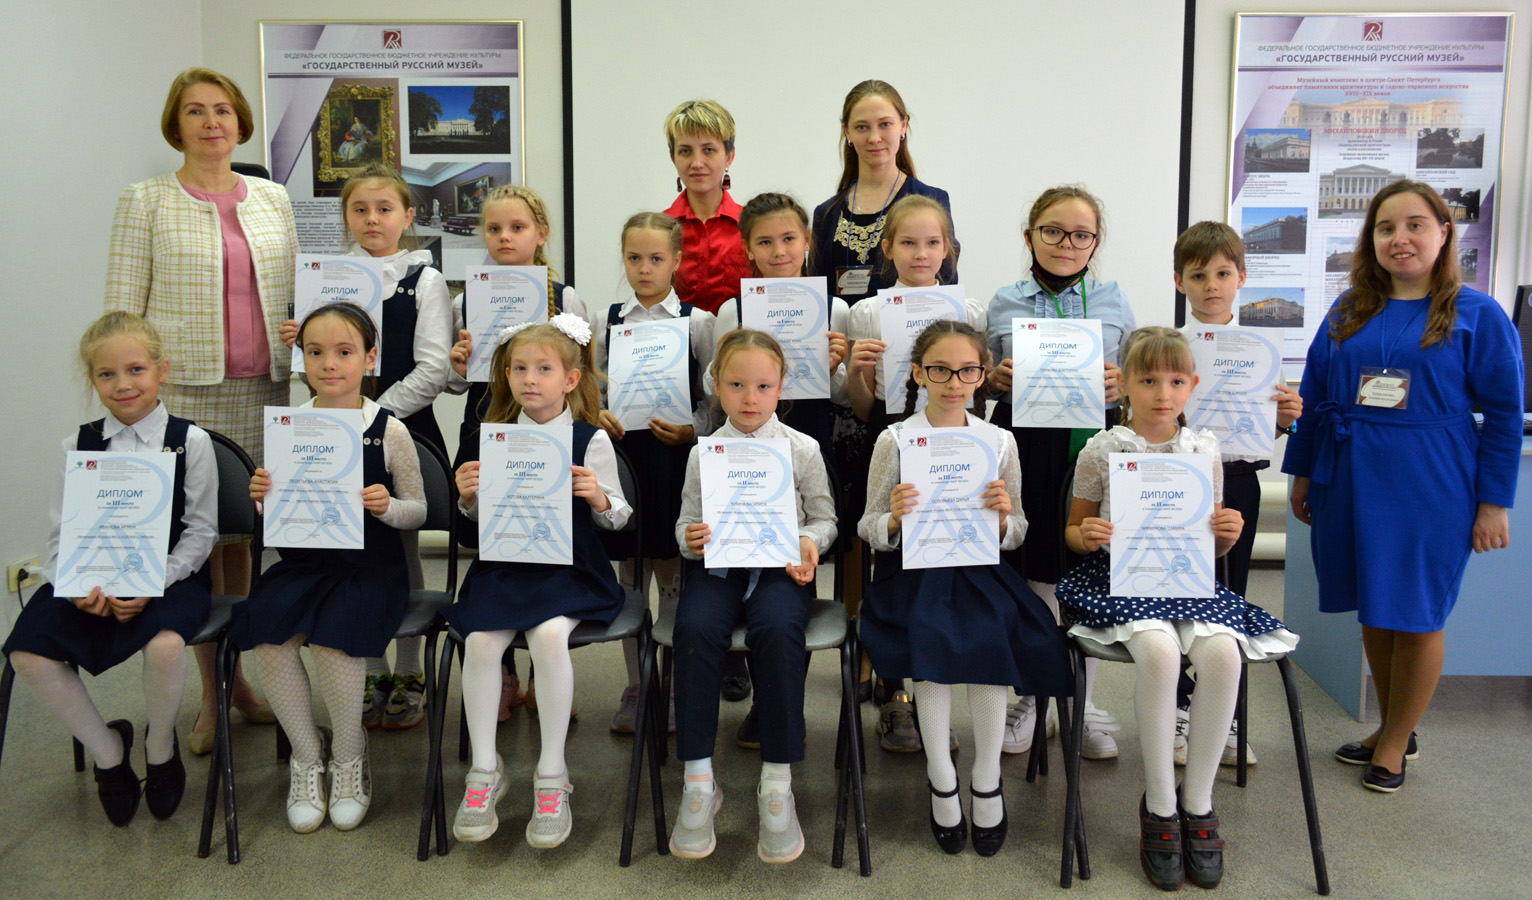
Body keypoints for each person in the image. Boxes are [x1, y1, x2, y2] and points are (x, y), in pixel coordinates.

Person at [1283, 180, 1521, 793]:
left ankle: (1394, 741)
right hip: (1349, 476)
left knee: (1415, 614)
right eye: (1386, 228)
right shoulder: (1349, 309)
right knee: (1376, 605)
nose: (1400, 238)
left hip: (1431, 484)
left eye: (1415, 225)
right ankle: (1393, 726)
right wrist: (1302, 473)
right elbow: (1314, 396)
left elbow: (1503, 415)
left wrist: (1494, 502)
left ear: (1444, 232)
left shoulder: (1478, 315)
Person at [1057, 326, 1298, 890]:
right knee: (1161, 654)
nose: (1162, 394)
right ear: (1125, 386)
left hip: (1187, 581)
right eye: (1148, 381)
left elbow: (1209, 545)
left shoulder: (1203, 450)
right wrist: (1086, 535)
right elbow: (1072, 531)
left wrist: (1226, 535)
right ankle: (1160, 804)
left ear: (1192, 385)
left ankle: (1199, 802)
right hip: (1119, 579)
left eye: (1175, 381)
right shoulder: (1103, 448)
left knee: (1224, 655)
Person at [105, 67, 290, 756]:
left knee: (241, 540)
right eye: (195, 111)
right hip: (184, 394)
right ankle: (212, 694)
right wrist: (131, 396)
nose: (212, 122)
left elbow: (294, 292)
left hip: (262, 389)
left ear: (240, 123)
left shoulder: (273, 198)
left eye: (223, 110)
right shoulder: (146, 200)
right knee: (198, 538)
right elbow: (121, 312)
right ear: (175, 125)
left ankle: (237, 679)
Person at [858, 320, 1071, 856]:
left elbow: (1018, 529)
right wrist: (893, 519)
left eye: (967, 371)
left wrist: (1002, 520)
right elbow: (867, 525)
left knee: (991, 631)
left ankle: (985, 776)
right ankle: (940, 775)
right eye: (940, 370)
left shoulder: (998, 440)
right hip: (914, 571)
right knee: (929, 635)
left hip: (978, 568)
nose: (954, 382)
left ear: (982, 374)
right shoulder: (895, 439)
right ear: (918, 373)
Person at [3, 312, 216, 826]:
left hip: (169, 576)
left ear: (162, 370)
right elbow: (60, 537)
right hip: (89, 579)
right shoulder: (76, 446)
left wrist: (152, 581)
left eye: (136, 369)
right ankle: (108, 753)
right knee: (26, 653)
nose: (123, 384)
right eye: (106, 374)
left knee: (166, 646)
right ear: (92, 380)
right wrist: (75, 586)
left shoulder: (191, 442)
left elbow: (202, 532)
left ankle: (160, 748)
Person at [230, 303, 426, 833]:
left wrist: (388, 507)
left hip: (371, 568)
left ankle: (348, 755)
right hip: (303, 567)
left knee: (334, 640)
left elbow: (419, 510)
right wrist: (262, 499)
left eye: (344, 352)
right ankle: (306, 756)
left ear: (370, 358)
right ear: (302, 359)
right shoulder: (289, 427)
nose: (329, 364)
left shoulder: (388, 430)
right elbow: (282, 513)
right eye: (315, 352)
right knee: (270, 638)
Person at [279, 163, 451, 731]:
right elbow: (313, 367)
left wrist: (373, 417)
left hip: (401, 427)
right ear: (345, 217)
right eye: (359, 209)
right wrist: (299, 344)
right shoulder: (324, 279)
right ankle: (371, 669)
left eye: (384, 208)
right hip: (332, 432)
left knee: (400, 546)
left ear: (408, 215)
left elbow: (433, 367)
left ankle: (410, 671)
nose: (372, 219)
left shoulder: (424, 279)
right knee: (351, 553)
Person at [446, 314, 627, 848]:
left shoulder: (589, 439)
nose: (529, 379)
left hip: (571, 568)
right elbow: (478, 523)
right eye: (519, 368)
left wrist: (597, 496)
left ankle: (552, 773)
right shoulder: (493, 438)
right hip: (506, 566)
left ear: (570, 379)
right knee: (480, 641)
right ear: (505, 376)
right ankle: (485, 769)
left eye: (543, 369)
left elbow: (619, 518)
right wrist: (468, 497)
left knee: (549, 637)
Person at [668, 329, 837, 864]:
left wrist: (809, 541)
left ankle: (777, 783)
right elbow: (685, 523)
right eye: (736, 385)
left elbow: (825, 518)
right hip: (718, 570)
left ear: (781, 387)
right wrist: (691, 538)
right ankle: (699, 781)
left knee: (779, 629)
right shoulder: (704, 454)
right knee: (693, 629)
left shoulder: (802, 448)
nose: (749, 398)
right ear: (716, 385)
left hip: (780, 571)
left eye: (763, 386)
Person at [986, 185, 1135, 760]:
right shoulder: (1003, 301)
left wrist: (1121, 384)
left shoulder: (1115, 299)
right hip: (1027, 445)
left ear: (1096, 242)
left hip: (1090, 449)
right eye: (1052, 231)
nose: (1066, 243)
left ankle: (1081, 699)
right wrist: (994, 380)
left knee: (1085, 569)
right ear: (1030, 236)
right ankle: (1033, 695)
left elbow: (1135, 376)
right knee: (1032, 574)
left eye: (1081, 234)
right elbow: (979, 377)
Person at [843, 194, 986, 752]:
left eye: (932, 243)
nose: (921, 253)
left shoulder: (969, 309)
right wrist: (857, 372)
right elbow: (863, 408)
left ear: (948, 249)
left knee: (946, 567)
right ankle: (896, 693)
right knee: (896, 565)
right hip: (894, 440)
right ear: (887, 248)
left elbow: (978, 391)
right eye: (908, 242)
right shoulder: (866, 312)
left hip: (955, 445)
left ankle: (938, 687)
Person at [708, 191, 851, 744]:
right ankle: (749, 680)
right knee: (745, 559)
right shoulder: (732, 310)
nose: (779, 250)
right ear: (747, 249)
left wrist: (834, 367)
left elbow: (844, 397)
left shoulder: (833, 308)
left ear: (807, 241)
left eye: (789, 238)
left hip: (806, 444)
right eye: (765, 242)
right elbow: (711, 387)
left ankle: (777, 704)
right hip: (742, 452)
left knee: (798, 568)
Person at [445, 183, 589, 720]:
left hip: (548, 431)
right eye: (494, 228)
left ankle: (542, 676)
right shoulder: (466, 297)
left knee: (544, 535)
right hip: (487, 421)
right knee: (495, 541)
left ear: (541, 233)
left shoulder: (565, 297)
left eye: (517, 227)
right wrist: (459, 366)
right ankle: (501, 675)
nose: (505, 237)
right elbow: (455, 382)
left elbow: (583, 371)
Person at [1171, 221, 1303, 767]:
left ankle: (1222, 716)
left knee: (1231, 593)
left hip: (1239, 483)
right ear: (1179, 281)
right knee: (1175, 594)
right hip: (1180, 482)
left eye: (1223, 274)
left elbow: (1257, 433)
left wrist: (1283, 420)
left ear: (1242, 277)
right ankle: (1180, 710)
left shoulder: (1260, 351)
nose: (1212, 286)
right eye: (1198, 275)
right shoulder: (1169, 347)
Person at [593, 213, 716, 734]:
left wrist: (693, 430)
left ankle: (671, 683)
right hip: (624, 461)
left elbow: (715, 400)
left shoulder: (699, 322)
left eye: (656, 258)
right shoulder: (606, 319)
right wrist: (598, 413)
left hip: (673, 460)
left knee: (672, 571)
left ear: (677, 260)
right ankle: (636, 684)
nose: (645, 269)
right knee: (631, 573)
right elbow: (591, 388)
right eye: (634, 258)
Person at [810, 80, 956, 304]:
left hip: (907, 326)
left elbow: (945, 288)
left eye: (885, 124)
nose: (874, 138)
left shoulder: (931, 201)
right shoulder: (826, 213)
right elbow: (817, 299)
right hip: (841, 328)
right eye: (862, 127)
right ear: (847, 131)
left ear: (903, 125)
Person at [663, 99, 751, 314]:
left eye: (709, 150)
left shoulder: (752, 226)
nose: (697, 163)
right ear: (673, 159)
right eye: (685, 151)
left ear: (729, 156)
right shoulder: (660, 229)